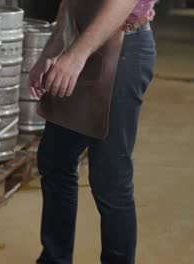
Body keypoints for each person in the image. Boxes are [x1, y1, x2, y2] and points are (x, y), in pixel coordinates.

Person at [28, 0, 157, 263]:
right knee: (55, 158)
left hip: (123, 47)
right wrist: (52, 49)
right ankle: (54, 258)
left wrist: (75, 56)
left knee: (109, 178)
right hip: (82, 42)